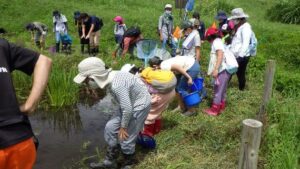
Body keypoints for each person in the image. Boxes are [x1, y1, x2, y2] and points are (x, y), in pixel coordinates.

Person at [73, 57, 151, 169]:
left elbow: (128, 108)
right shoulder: (111, 76)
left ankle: (129, 162)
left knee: (125, 137)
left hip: (138, 106)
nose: (86, 84)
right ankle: (110, 161)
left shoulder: (116, 85)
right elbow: (125, 104)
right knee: (110, 128)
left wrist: (123, 127)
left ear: (93, 78)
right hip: (128, 104)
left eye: (86, 81)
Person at [0, 38, 52, 169]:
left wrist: (30, 105)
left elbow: (44, 61)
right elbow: (44, 61)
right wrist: (30, 104)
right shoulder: (2, 44)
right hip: (20, 141)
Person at [121, 64, 176, 136]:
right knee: (158, 112)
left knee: (148, 114)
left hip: (160, 97)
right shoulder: (146, 71)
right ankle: (157, 130)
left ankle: (147, 135)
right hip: (171, 91)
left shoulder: (137, 80)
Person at [203, 27, 231, 116]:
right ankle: (221, 106)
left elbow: (220, 55)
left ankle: (214, 110)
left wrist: (216, 69)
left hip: (222, 70)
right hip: (225, 70)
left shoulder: (216, 43)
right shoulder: (219, 41)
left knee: (218, 90)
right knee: (222, 90)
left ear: (209, 37)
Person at [228, 8, 253, 90]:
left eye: (234, 19)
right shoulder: (239, 26)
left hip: (241, 56)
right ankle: (240, 88)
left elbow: (245, 43)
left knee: (232, 71)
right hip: (236, 54)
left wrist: (240, 56)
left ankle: (239, 88)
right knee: (238, 72)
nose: (233, 21)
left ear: (240, 19)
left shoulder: (246, 28)